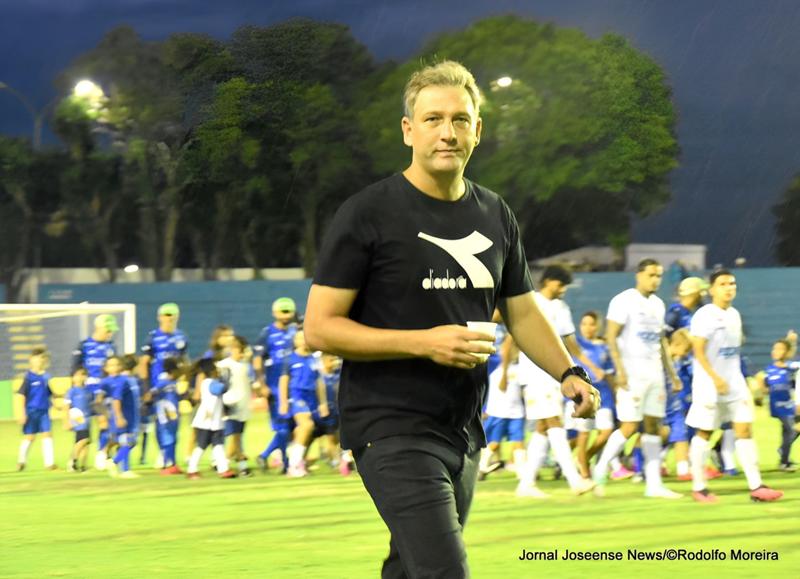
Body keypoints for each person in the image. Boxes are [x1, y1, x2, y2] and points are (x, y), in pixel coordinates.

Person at [304, 60, 597, 578]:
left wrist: (569, 371)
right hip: (390, 425)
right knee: (444, 571)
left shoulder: (495, 213)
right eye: (433, 119)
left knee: (412, 569)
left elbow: (522, 309)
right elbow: (320, 328)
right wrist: (423, 343)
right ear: (408, 130)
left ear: (477, 130)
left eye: (460, 119)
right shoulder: (368, 213)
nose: (448, 132)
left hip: (463, 427)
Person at [686, 269, 783, 502]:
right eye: (723, 284)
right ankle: (699, 487)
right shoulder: (704, 315)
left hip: (734, 385)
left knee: (744, 430)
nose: (729, 288)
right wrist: (715, 378)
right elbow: (698, 351)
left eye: (732, 283)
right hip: (709, 385)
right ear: (712, 290)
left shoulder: (734, 315)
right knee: (704, 432)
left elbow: (732, 354)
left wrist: (740, 379)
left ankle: (756, 486)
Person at [592, 258, 683, 499]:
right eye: (651, 275)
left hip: (654, 375)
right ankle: (600, 468)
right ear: (639, 275)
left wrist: (672, 374)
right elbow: (611, 336)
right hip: (632, 375)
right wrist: (620, 370)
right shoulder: (623, 301)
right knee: (629, 426)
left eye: (659, 275)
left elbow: (661, 342)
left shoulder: (658, 304)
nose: (656, 280)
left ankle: (654, 485)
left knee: (653, 427)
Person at [516, 266, 600, 498]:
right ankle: (575, 481)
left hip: (555, 374)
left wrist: (589, 367)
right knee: (554, 422)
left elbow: (570, 343)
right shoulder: (530, 301)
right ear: (548, 281)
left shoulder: (561, 308)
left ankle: (526, 483)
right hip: (534, 372)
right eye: (560, 284)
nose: (563, 289)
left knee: (544, 427)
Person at [138, 302, 189, 470]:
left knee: (174, 421)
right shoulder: (152, 337)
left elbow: (184, 361)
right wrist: (146, 388)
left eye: (172, 315)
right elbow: (144, 363)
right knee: (161, 422)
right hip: (157, 387)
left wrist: (185, 381)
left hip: (174, 387)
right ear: (159, 317)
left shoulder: (181, 337)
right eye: (166, 315)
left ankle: (169, 456)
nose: (169, 319)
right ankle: (163, 453)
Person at [254, 298, 298, 472]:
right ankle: (278, 460)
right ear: (274, 313)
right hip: (274, 387)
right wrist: (261, 383)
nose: (286, 315)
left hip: (295, 386)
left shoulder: (296, 332)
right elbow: (257, 359)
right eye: (283, 311)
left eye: (289, 311)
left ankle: (273, 458)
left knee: (292, 426)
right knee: (283, 426)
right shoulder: (267, 333)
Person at [281, 328, 330, 477]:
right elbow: (283, 381)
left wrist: (323, 403)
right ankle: (294, 465)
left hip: (311, 397)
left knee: (306, 431)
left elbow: (319, 381)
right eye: (299, 338)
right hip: (297, 395)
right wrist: (283, 401)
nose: (303, 341)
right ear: (295, 341)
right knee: (306, 425)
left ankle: (297, 461)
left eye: (305, 337)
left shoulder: (314, 359)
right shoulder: (290, 359)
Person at [72, 314, 118, 470]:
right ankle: (75, 460)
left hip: (103, 392)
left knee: (104, 422)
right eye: (108, 330)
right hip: (85, 394)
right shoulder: (84, 345)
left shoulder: (111, 347)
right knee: (83, 428)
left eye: (112, 330)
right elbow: (75, 369)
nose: (110, 333)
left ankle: (101, 455)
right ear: (99, 327)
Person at [480, 336, 525, 480]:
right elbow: (499, 387)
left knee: (518, 441)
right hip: (498, 411)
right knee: (494, 443)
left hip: (516, 412)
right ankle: (481, 468)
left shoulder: (520, 367)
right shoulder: (495, 364)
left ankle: (523, 475)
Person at [755, 332, 799, 472]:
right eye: (774, 349)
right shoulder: (769, 371)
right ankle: (784, 461)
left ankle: (784, 454)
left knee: (789, 431)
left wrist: (791, 342)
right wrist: (761, 392)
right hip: (778, 406)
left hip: (790, 405)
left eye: (780, 349)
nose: (776, 351)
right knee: (790, 430)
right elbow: (762, 385)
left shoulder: (791, 367)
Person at [187, 358, 236, 479]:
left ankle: (223, 469)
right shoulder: (209, 383)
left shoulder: (210, 382)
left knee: (218, 445)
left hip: (215, 421)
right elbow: (220, 389)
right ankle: (192, 469)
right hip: (207, 422)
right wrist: (227, 377)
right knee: (201, 446)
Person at [219, 335, 256, 477]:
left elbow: (251, 383)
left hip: (243, 406)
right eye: (238, 350)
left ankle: (241, 467)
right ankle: (224, 465)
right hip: (230, 404)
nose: (240, 353)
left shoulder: (245, 366)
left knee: (238, 437)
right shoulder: (224, 365)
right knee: (233, 437)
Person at [16, 348, 57, 471]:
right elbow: (21, 396)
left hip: (44, 411)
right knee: (30, 437)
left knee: (47, 434)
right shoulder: (28, 378)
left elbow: (49, 393)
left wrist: (57, 402)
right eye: (38, 358)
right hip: (32, 411)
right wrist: (21, 413)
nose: (40, 361)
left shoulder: (46, 377)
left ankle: (49, 464)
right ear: (31, 360)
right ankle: (21, 461)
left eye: (42, 358)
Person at [103, 356, 141, 479]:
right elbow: (116, 399)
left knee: (130, 442)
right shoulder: (122, 381)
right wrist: (119, 417)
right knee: (128, 441)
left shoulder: (130, 380)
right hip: (124, 417)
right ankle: (121, 467)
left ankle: (119, 465)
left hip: (131, 416)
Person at [63, 367, 92, 472]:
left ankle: (83, 466)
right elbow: (66, 407)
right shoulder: (72, 391)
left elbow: (92, 405)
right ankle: (73, 460)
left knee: (86, 444)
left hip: (87, 420)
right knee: (83, 440)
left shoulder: (88, 391)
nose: (81, 377)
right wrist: (66, 421)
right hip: (78, 420)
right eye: (78, 375)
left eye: (83, 375)